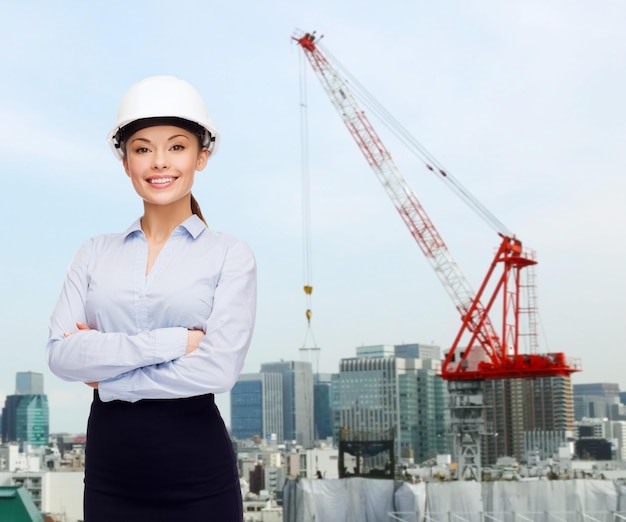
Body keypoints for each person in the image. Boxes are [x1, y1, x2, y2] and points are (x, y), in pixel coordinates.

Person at [45, 75, 257, 521]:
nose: (159, 162)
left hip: (200, 476)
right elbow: (63, 355)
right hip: (110, 476)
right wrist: (177, 342)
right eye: (143, 149)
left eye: (177, 147)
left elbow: (218, 368)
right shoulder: (93, 252)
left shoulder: (229, 254)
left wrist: (111, 378)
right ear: (126, 162)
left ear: (202, 155)